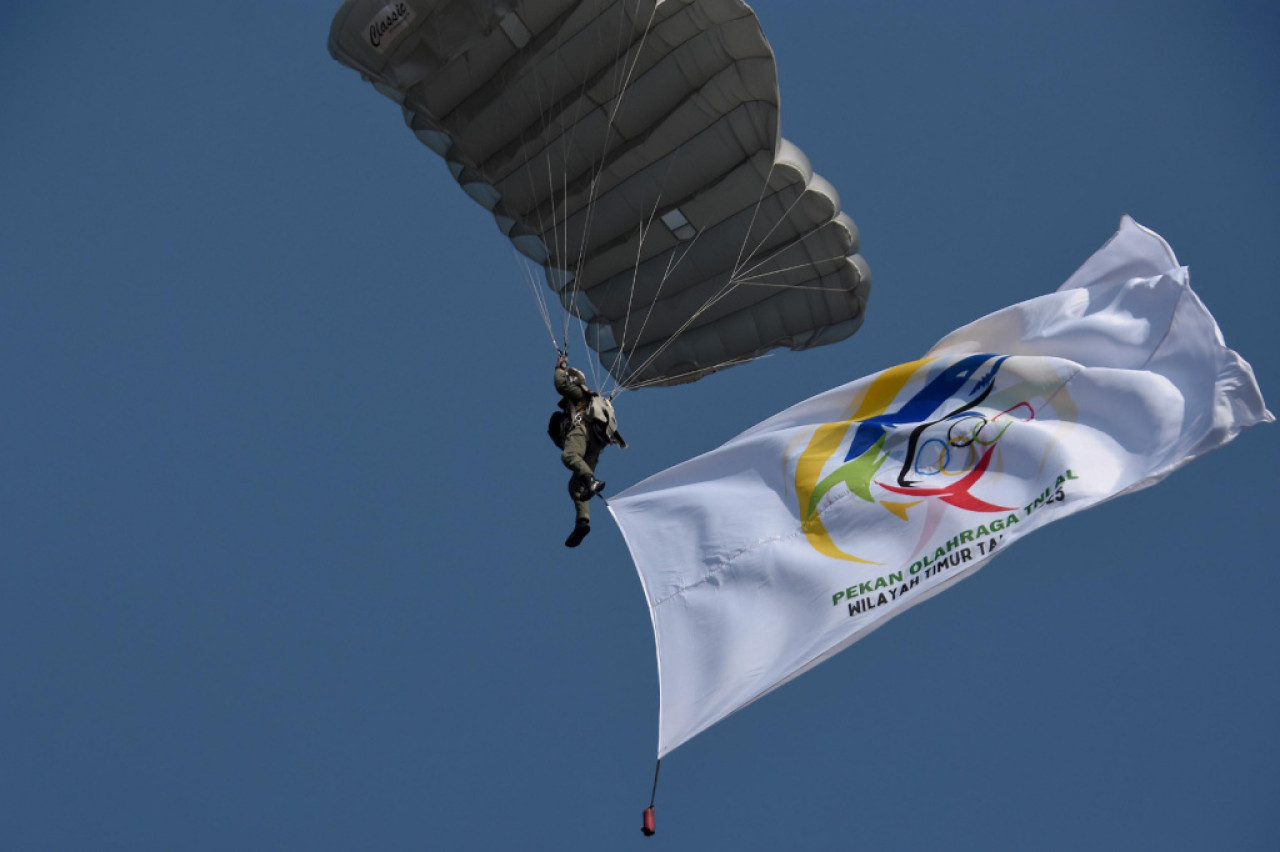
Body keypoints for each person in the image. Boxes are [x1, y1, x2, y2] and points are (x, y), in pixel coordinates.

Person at [551, 355, 626, 547]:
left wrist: (560, 368)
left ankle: (591, 480)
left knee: (569, 456)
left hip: (583, 430)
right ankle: (582, 522)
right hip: (597, 444)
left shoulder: (579, 394)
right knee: (576, 487)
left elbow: (560, 384)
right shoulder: (591, 399)